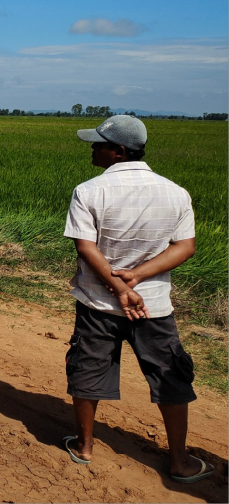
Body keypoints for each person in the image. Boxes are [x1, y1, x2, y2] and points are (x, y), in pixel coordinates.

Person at [62, 115, 210, 483]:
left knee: (87, 369)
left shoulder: (89, 190)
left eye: (99, 144)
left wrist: (119, 288)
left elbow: (86, 248)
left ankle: (84, 446)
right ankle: (179, 461)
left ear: (118, 151)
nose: (93, 149)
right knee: (169, 377)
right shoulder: (175, 192)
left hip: (98, 304)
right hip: (154, 306)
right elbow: (185, 246)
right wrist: (138, 280)